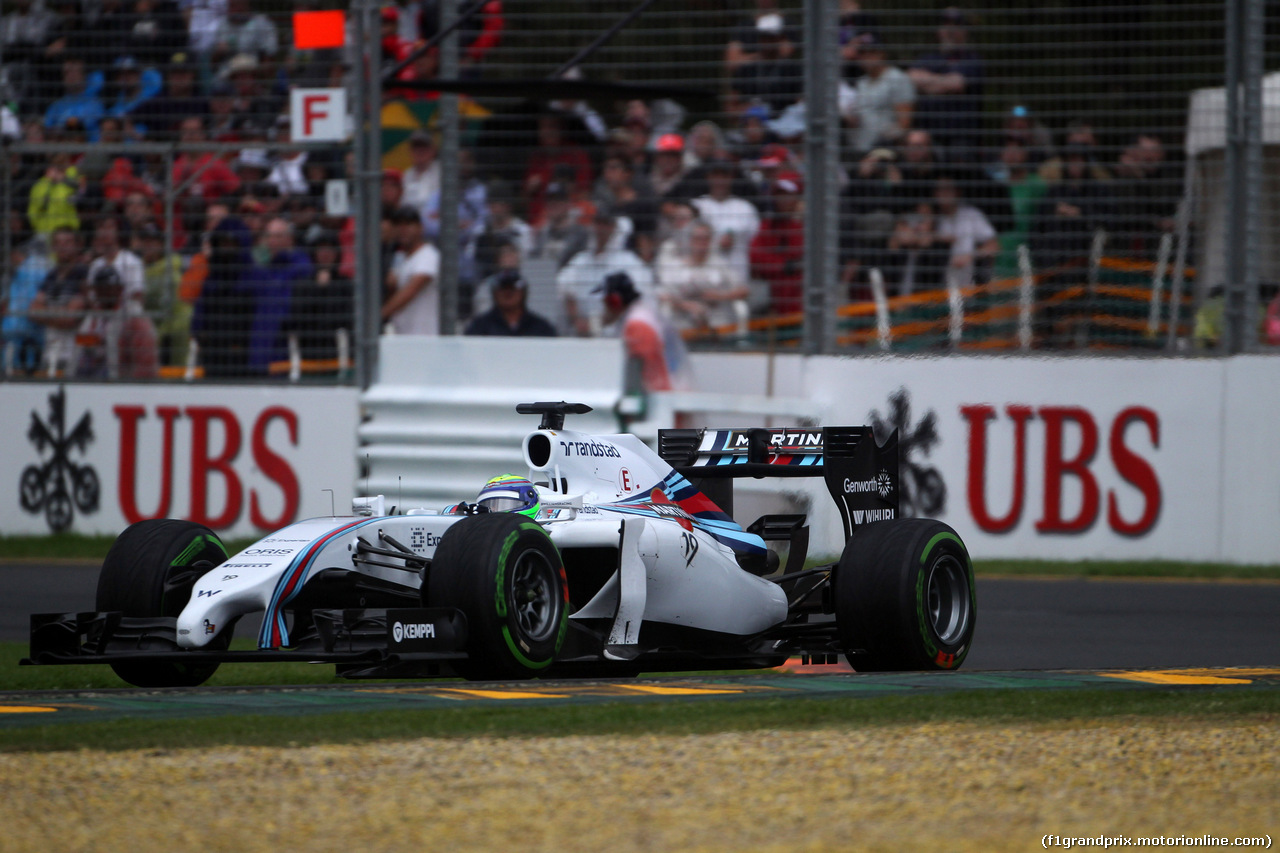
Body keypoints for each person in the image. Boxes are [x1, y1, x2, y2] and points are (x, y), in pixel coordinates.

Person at [555, 207, 653, 336]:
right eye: (598, 222)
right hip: (584, 339)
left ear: (615, 227)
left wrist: (599, 322)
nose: (601, 228)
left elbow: (638, 300)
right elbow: (564, 288)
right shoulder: (581, 260)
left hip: (617, 337)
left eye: (606, 224)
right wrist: (577, 320)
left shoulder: (629, 263)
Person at [907, 7, 984, 161]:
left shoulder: (973, 60)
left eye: (956, 25)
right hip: (929, 136)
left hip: (962, 138)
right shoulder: (927, 58)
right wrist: (943, 82)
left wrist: (928, 83)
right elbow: (910, 78)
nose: (950, 30)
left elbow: (956, 84)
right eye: (946, 24)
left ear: (964, 32)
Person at [597, 270, 691, 393]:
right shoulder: (640, 315)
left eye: (605, 303)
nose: (603, 309)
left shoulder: (637, 325)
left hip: (667, 396)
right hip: (671, 392)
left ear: (614, 302)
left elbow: (649, 371)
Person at [657, 219, 748, 334]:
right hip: (684, 327)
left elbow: (744, 291)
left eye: (706, 239)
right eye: (697, 238)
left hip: (718, 327)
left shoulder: (720, 265)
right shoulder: (676, 266)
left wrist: (720, 296)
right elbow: (661, 295)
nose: (701, 243)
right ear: (689, 240)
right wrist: (686, 305)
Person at [246, 216, 312, 374]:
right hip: (260, 346)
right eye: (269, 236)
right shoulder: (262, 269)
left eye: (277, 236)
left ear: (289, 239)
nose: (272, 241)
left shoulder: (301, 267)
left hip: (285, 346)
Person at [191, 215, 254, 377]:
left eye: (231, 243)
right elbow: (200, 313)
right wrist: (199, 331)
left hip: (245, 359)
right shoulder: (212, 279)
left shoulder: (256, 279)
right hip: (214, 356)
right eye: (223, 243)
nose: (226, 247)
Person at [73, 264, 159, 379]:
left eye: (110, 287)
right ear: (96, 290)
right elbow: (80, 340)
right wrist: (97, 340)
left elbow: (146, 358)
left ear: (120, 288)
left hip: (123, 379)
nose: (107, 292)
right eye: (102, 288)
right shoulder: (94, 315)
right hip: (95, 373)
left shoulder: (133, 315)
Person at [27, 225, 89, 374]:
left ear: (76, 246)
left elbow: (71, 318)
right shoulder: (51, 276)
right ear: (53, 247)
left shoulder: (82, 274)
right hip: (49, 351)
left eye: (67, 242)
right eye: (58, 243)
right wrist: (60, 314)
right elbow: (32, 311)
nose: (62, 247)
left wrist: (45, 313)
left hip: (73, 356)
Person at [843, 33, 915, 157]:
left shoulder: (897, 79)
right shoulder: (861, 83)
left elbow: (904, 124)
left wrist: (880, 149)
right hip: (856, 151)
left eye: (871, 52)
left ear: (881, 53)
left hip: (884, 151)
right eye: (862, 54)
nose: (866, 57)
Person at [693, 159, 760, 285]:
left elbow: (756, 242)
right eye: (716, 175)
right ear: (708, 177)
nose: (720, 180)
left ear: (731, 177)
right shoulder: (697, 206)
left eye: (724, 175)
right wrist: (716, 242)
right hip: (706, 282)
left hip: (738, 279)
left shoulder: (745, 208)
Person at [749, 173, 805, 315]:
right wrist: (783, 265)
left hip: (803, 303)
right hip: (775, 304)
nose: (783, 200)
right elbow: (755, 255)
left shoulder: (807, 225)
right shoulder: (768, 226)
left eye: (788, 195)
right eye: (779, 194)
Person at [384, 205, 440, 335]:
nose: (403, 230)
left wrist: (379, 316)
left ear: (420, 228)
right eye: (399, 225)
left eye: (408, 224)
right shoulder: (400, 258)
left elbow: (411, 291)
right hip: (403, 336)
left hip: (426, 338)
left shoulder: (428, 255)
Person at [464, 269, 558, 337]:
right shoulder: (480, 327)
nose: (508, 293)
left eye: (513, 289)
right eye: (503, 289)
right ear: (494, 293)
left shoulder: (541, 327)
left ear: (523, 293)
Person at [86, 216, 145, 305]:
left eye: (110, 227)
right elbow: (91, 297)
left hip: (127, 313)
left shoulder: (132, 261)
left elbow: (138, 296)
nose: (105, 232)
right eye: (101, 227)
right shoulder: (95, 265)